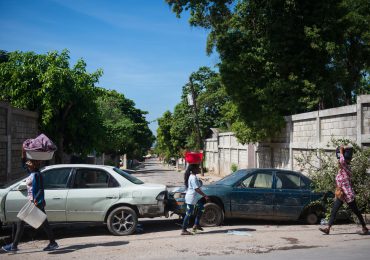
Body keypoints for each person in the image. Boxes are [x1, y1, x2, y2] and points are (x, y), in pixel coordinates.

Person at [2, 149, 59, 252]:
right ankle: (53, 243)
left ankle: (14, 246)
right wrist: (23, 152)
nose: (27, 166)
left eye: (29, 164)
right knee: (43, 224)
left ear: (34, 165)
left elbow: (41, 189)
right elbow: (23, 164)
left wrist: (36, 201)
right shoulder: (32, 173)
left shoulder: (37, 175)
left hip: (36, 202)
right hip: (33, 202)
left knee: (21, 221)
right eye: (28, 165)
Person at [319, 146, 368, 235]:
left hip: (348, 195)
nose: (339, 163)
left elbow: (342, 161)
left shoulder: (347, 170)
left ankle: (364, 227)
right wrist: (336, 195)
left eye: (340, 162)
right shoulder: (340, 172)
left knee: (356, 211)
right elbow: (338, 184)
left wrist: (341, 151)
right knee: (334, 210)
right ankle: (328, 228)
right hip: (341, 195)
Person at [181, 163, 209, 235]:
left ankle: (196, 225)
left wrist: (200, 181)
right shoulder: (193, 177)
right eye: (198, 168)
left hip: (195, 198)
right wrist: (205, 195)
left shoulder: (194, 177)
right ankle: (184, 229)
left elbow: (198, 185)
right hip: (191, 198)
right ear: (193, 169)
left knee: (202, 208)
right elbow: (196, 189)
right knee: (188, 213)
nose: (199, 169)